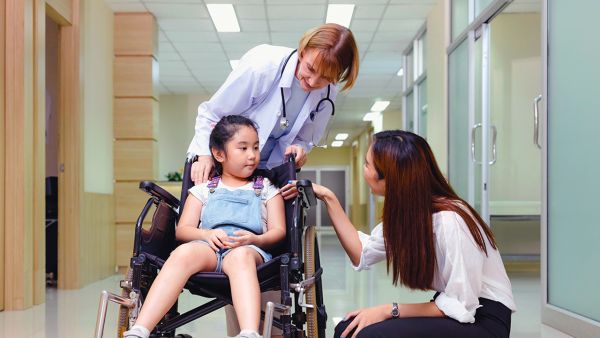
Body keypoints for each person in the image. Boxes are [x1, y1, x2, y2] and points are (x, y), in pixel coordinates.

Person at [310, 130, 516, 338]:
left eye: (366, 164)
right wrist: (329, 197)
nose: (364, 171)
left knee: (369, 335)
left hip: (483, 320)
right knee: (347, 329)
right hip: (453, 308)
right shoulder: (409, 214)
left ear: (390, 178)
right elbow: (362, 252)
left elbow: (462, 305)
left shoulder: (450, 220)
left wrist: (388, 310)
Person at [124, 116, 286, 338]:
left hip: (249, 249)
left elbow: (279, 231)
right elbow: (183, 230)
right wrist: (206, 234)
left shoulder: (266, 188)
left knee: (240, 258)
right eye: (243, 148)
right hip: (208, 247)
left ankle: (249, 333)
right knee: (183, 252)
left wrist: (254, 240)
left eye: (256, 147)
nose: (252, 155)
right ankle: (140, 330)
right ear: (219, 154)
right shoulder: (203, 189)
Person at [186, 23, 360, 191]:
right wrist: (205, 156)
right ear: (303, 50)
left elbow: (304, 138)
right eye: (310, 68)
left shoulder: (328, 93)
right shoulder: (263, 65)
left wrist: (299, 149)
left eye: (326, 78)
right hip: (223, 163)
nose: (313, 82)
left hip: (270, 173)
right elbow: (211, 114)